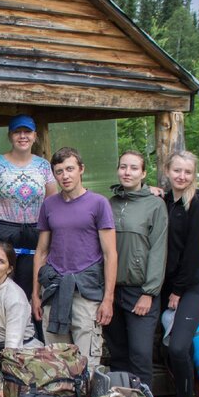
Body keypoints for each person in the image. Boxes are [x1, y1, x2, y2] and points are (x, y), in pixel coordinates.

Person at [32, 148, 117, 372]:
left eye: (70, 169)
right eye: (59, 171)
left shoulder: (98, 203)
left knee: (87, 363)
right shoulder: (49, 205)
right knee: (56, 363)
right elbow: (41, 251)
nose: (65, 176)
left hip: (86, 292)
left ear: (81, 169)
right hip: (54, 290)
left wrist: (108, 299)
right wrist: (36, 294)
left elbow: (110, 254)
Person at [0, 115, 57, 299]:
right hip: (1, 233)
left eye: (27, 132)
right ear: (10, 136)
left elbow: (52, 207)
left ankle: (30, 327)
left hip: (34, 234)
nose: (22, 136)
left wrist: (52, 243)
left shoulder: (43, 166)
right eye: (17, 132)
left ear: (35, 136)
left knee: (31, 290)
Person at [105, 150, 168, 384]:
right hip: (112, 290)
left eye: (133, 168)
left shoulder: (155, 205)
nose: (127, 172)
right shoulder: (110, 204)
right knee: (118, 353)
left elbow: (159, 249)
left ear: (143, 173)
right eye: (123, 167)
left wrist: (149, 292)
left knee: (140, 354)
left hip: (140, 291)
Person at [161, 150, 199, 397]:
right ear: (168, 171)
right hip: (166, 286)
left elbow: (193, 253)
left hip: (191, 286)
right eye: (177, 171)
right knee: (172, 351)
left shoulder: (196, 203)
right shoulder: (165, 200)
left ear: (194, 175)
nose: (182, 176)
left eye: (187, 172)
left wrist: (178, 291)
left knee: (179, 348)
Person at [0, 242, 40, 371]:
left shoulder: (14, 296)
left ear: (9, 269)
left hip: (21, 356)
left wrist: (7, 384)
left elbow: (13, 344)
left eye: (1, 261)